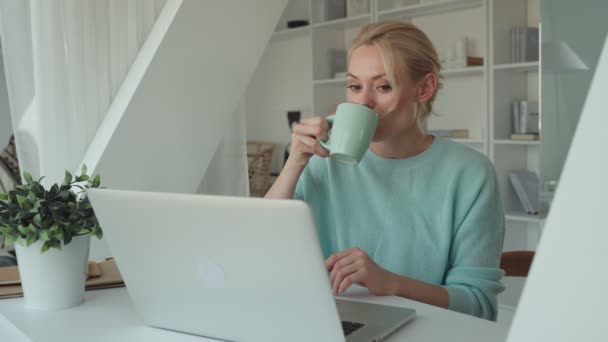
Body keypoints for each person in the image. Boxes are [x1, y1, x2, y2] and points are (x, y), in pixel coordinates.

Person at [265, 21, 505, 321]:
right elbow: (260, 249)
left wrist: (390, 283)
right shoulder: (322, 161)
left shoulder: (470, 174)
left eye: (383, 86)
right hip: (328, 324)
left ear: (425, 88)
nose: (364, 102)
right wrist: (295, 163)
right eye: (354, 86)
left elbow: (478, 305)